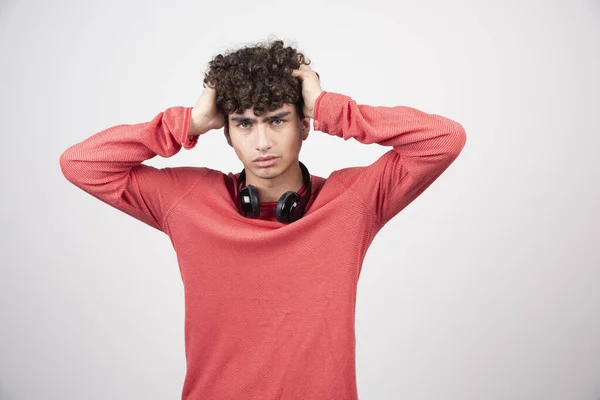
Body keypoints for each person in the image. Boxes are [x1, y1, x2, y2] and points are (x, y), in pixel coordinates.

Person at [59, 39, 467, 400]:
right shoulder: (187, 200)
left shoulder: (352, 202)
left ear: (304, 125)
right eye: (244, 124)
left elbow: (444, 139)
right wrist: (188, 123)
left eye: (277, 120)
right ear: (227, 132)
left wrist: (331, 109)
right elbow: (81, 164)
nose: (262, 142)